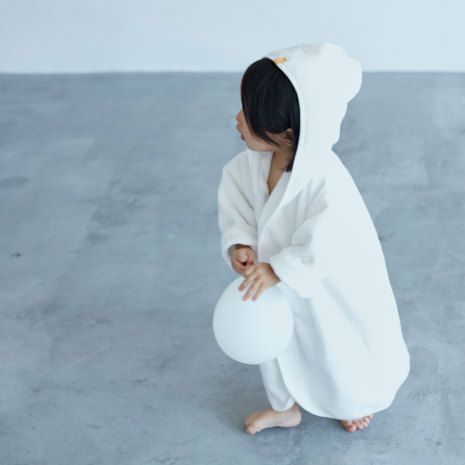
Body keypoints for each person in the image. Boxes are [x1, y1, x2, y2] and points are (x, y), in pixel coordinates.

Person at [217, 43, 410, 434]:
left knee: (332, 346)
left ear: (288, 130)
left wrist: (282, 268)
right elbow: (237, 207)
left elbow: (329, 238)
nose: (237, 118)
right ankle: (284, 407)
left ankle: (350, 400)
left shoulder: (326, 181)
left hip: (322, 285)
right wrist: (240, 244)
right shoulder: (245, 167)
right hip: (270, 280)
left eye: (249, 114)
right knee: (275, 343)